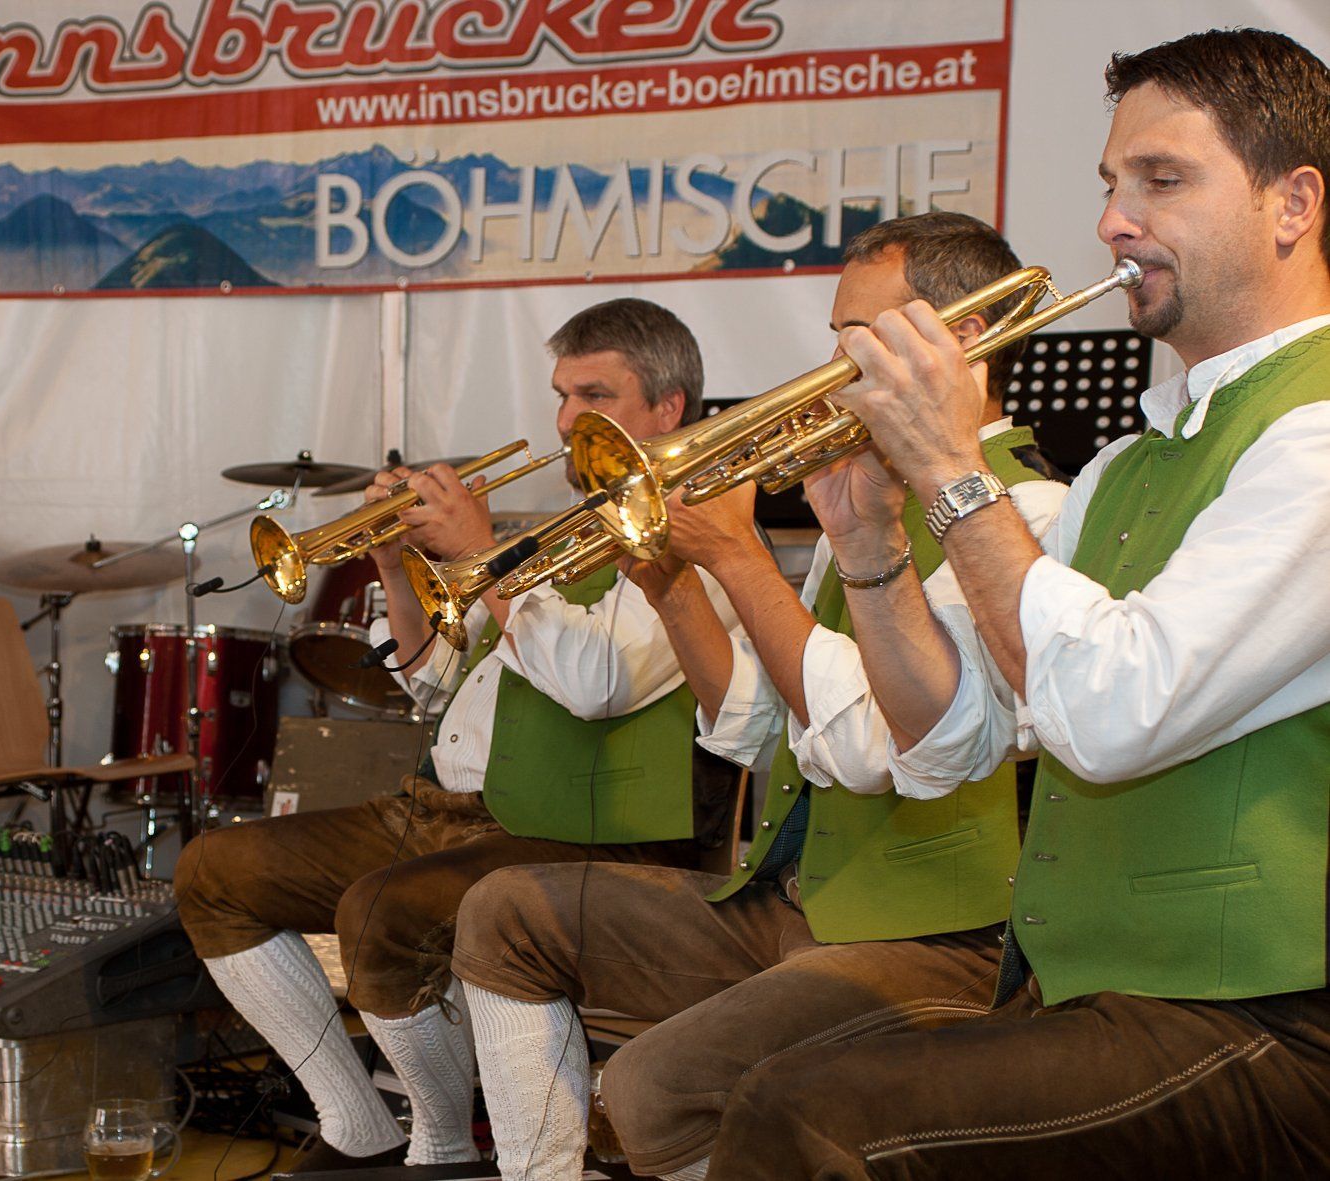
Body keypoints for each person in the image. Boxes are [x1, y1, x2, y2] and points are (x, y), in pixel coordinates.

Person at [706, 28, 1330, 1178]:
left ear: (1292, 204)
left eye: (1160, 179)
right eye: (1108, 183)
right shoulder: (1122, 466)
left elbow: (1113, 713)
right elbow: (945, 740)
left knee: (806, 1114)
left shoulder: (1315, 433)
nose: (1111, 221)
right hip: (1099, 984)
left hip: (1265, 1014)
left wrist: (951, 469)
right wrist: (866, 546)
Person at [449, 213, 1069, 1181]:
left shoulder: (1025, 513)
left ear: (960, 338)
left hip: (940, 936)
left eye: (857, 337)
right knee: (506, 909)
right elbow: (761, 731)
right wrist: (672, 583)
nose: (829, 369)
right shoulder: (863, 488)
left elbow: (875, 750)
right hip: (791, 896)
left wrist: (741, 556)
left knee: (651, 1087)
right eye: (836, 336)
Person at [173, 298, 740, 1171]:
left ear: (668, 408)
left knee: (381, 914)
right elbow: (432, 678)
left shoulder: (700, 536)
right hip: (446, 807)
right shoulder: (553, 530)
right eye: (560, 395)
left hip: (582, 830)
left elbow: (597, 686)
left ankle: (440, 1147)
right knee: (215, 870)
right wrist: (397, 567)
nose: (565, 420)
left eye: (593, 395)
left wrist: (484, 550)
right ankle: (359, 1124)